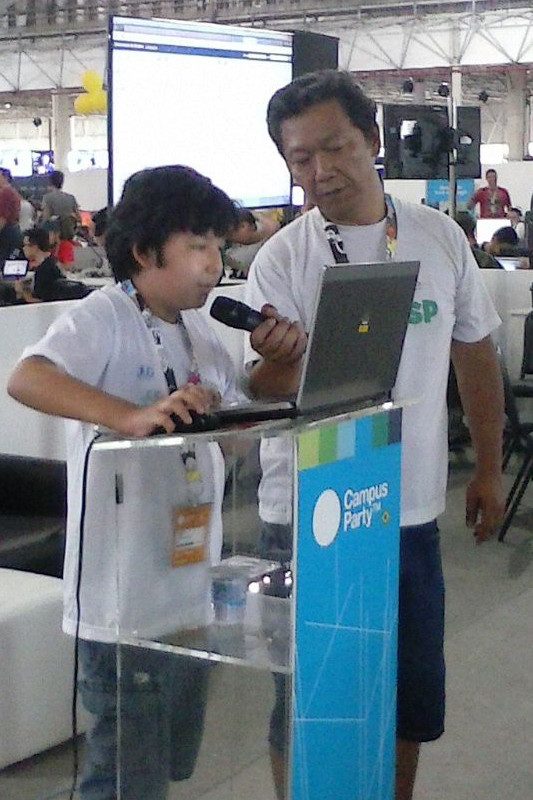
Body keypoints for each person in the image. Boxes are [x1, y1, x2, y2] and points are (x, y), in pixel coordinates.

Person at [243, 70, 505, 800]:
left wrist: (487, 468)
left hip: (408, 512)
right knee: (306, 699)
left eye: (334, 148)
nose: (320, 171)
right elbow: (256, 392)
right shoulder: (281, 259)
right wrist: (277, 362)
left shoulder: (436, 238)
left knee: (408, 699)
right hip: (307, 515)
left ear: (372, 141)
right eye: (300, 158)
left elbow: (474, 353)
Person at [7, 165, 245, 800]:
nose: (212, 263)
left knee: (163, 760)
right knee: (123, 771)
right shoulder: (105, 314)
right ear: (144, 252)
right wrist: (130, 416)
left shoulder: (199, 331)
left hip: (190, 586)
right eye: (196, 246)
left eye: (217, 245)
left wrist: (278, 362)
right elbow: (27, 377)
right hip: (125, 598)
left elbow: (246, 407)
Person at [42, 169, 81, 250]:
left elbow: (46, 219)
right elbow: (79, 219)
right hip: (69, 237)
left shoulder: (47, 198)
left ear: (50, 182)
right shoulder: (71, 198)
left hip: (54, 241)